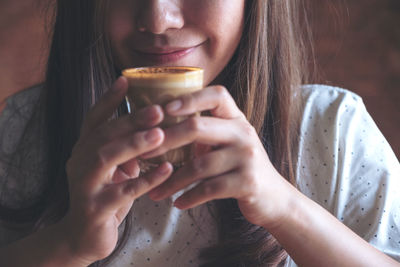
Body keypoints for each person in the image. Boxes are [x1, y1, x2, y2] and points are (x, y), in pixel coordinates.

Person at [0, 0, 399, 266]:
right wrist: (69, 243)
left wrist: (284, 207)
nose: (158, 20)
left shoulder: (331, 127)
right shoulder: (25, 128)